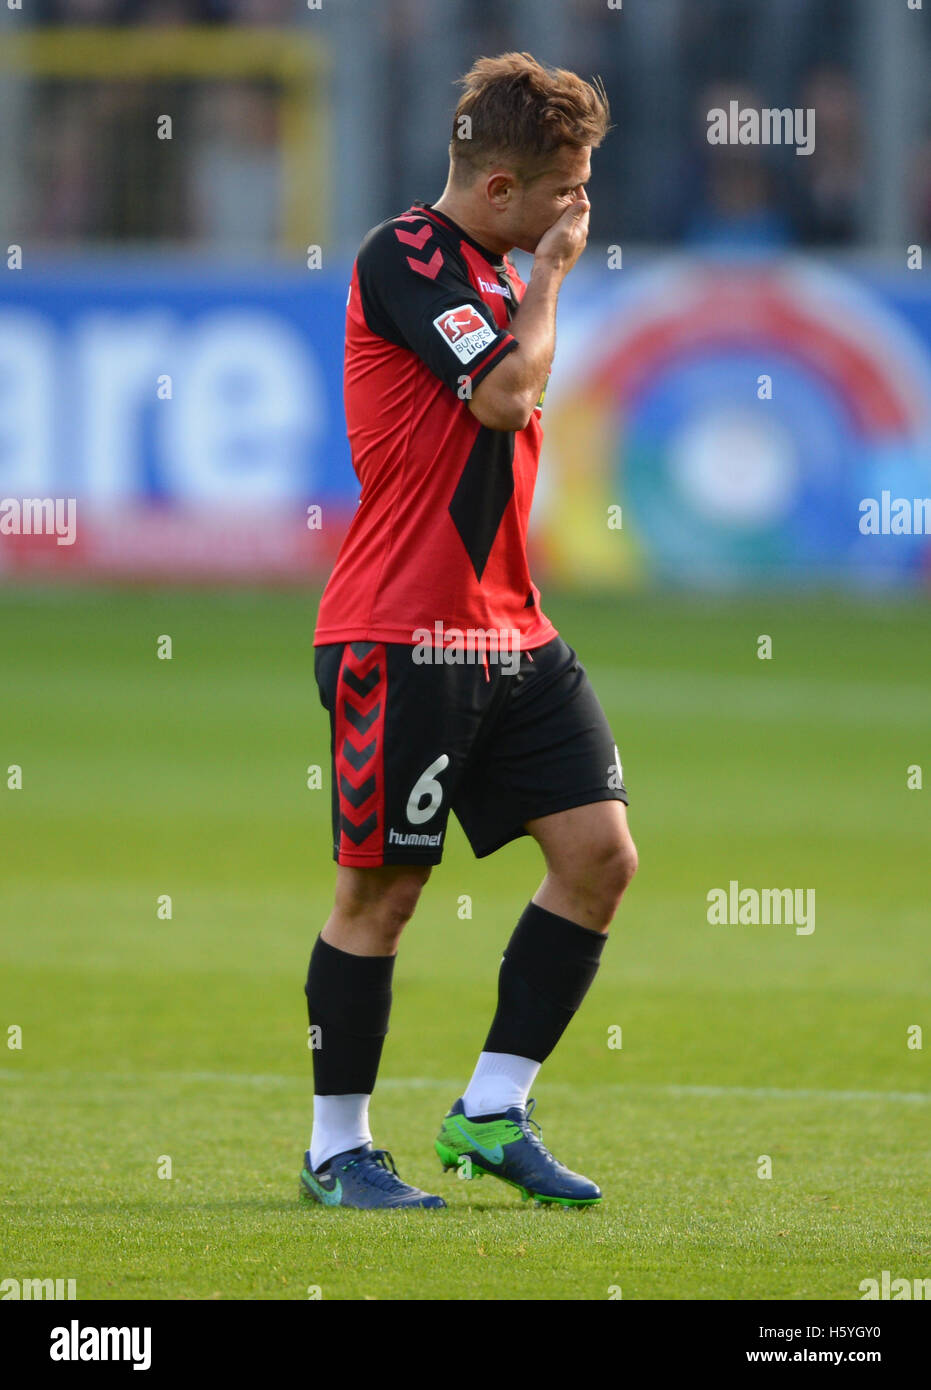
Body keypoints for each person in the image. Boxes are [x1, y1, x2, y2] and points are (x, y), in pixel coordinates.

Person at [301, 51, 637, 1211]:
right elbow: (503, 395)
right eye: (567, 190)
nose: (579, 212)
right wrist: (552, 279)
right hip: (398, 632)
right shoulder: (403, 256)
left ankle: (491, 1111)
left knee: (600, 857)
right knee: (382, 896)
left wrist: (534, 277)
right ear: (499, 187)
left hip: (512, 631)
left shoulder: (496, 264)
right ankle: (335, 1148)